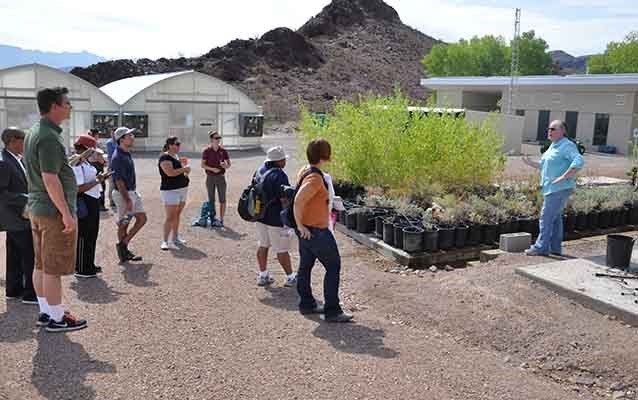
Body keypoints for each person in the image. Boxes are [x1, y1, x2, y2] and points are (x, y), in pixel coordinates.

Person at [23, 87, 87, 332]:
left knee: (40, 264)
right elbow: (50, 178)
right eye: (67, 103)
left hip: (38, 207)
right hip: (51, 211)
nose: (69, 106)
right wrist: (66, 213)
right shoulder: (48, 136)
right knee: (53, 268)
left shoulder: (35, 132)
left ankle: (47, 312)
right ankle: (58, 318)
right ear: (54, 106)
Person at [294, 139, 353, 323]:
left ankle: (307, 303)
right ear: (324, 155)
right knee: (333, 266)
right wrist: (300, 225)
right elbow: (298, 200)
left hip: (307, 230)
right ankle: (332, 310)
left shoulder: (306, 171)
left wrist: (300, 226)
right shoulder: (315, 178)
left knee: (305, 266)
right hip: (316, 230)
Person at [522, 120, 584, 256]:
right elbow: (545, 165)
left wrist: (564, 176)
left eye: (553, 129)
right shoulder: (554, 145)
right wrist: (530, 163)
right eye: (549, 128)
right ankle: (555, 248)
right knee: (555, 218)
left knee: (546, 217)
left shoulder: (567, 146)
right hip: (551, 188)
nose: (549, 131)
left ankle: (541, 247)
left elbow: (579, 161)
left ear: (563, 131)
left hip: (559, 189)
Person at [1, 127, 37, 304]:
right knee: (29, 255)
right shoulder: (4, 162)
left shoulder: (15, 159)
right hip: (17, 216)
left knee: (14, 255)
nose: (26, 142)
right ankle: (30, 294)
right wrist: (27, 198)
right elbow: (2, 193)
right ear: (13, 141)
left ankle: (14, 290)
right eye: (24, 139)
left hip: (17, 217)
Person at [253, 146, 296, 287]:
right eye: (284, 159)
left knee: (263, 245)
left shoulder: (259, 171)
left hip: (259, 215)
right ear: (278, 161)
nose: (285, 162)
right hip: (275, 218)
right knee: (282, 249)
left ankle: (263, 275)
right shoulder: (279, 175)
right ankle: (290, 277)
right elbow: (284, 198)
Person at [72, 135, 109, 278]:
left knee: (91, 234)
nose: (94, 153)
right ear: (86, 149)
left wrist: (100, 179)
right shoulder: (76, 163)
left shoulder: (84, 162)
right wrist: (98, 180)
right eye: (92, 150)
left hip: (92, 199)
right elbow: (77, 188)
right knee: (84, 234)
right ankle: (81, 267)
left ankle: (88, 263)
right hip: (84, 200)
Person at [110, 127, 147, 263]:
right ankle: (123, 252)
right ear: (122, 139)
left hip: (131, 192)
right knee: (124, 224)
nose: (132, 137)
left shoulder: (126, 153)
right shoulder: (118, 157)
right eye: (129, 135)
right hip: (123, 194)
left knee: (142, 218)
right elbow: (119, 181)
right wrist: (128, 200)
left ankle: (123, 244)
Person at [158, 136, 190, 250]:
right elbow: (170, 173)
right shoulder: (164, 157)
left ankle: (175, 237)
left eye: (179, 144)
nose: (179, 146)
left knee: (177, 215)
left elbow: (181, 174)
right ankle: (165, 241)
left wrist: (185, 171)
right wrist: (185, 169)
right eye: (177, 144)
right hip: (170, 190)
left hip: (182, 189)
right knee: (170, 216)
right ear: (170, 145)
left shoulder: (176, 156)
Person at [201, 131, 231, 228]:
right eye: (216, 138)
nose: (218, 140)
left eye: (219, 138)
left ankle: (221, 220)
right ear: (211, 139)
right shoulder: (206, 151)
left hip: (221, 178)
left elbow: (229, 164)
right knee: (211, 199)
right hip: (210, 178)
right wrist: (212, 169)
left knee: (222, 199)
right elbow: (203, 165)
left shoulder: (223, 151)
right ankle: (213, 219)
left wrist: (225, 165)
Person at [87, 128, 108, 211]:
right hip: (97, 166)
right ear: (95, 135)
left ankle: (94, 204)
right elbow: (99, 158)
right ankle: (100, 205)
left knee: (92, 185)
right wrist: (104, 162)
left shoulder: (87, 144)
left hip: (90, 165)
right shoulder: (94, 144)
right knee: (101, 185)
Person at [105, 128, 118, 210]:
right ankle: (112, 201)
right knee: (112, 184)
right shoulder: (109, 143)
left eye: (114, 133)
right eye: (112, 133)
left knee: (118, 183)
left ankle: (117, 200)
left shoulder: (119, 141)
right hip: (112, 166)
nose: (113, 135)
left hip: (119, 166)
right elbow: (112, 153)